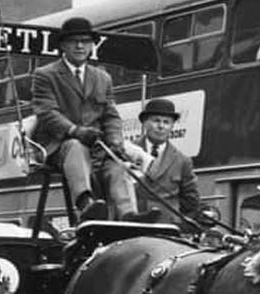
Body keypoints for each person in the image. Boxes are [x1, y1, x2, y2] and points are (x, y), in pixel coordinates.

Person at [31, 17, 153, 223]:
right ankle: (85, 203)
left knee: (117, 165)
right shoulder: (45, 75)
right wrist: (75, 131)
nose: (80, 46)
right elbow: (47, 113)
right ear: (63, 45)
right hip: (59, 145)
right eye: (73, 41)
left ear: (92, 46)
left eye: (85, 41)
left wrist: (115, 142)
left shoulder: (102, 77)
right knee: (76, 146)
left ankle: (128, 215)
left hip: (97, 146)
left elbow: (111, 115)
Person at [127, 98, 200, 230]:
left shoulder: (182, 161)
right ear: (145, 123)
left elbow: (191, 202)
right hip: (133, 226)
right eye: (156, 121)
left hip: (166, 229)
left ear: (172, 126)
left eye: (166, 122)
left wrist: (179, 225)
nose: (161, 126)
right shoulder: (128, 152)